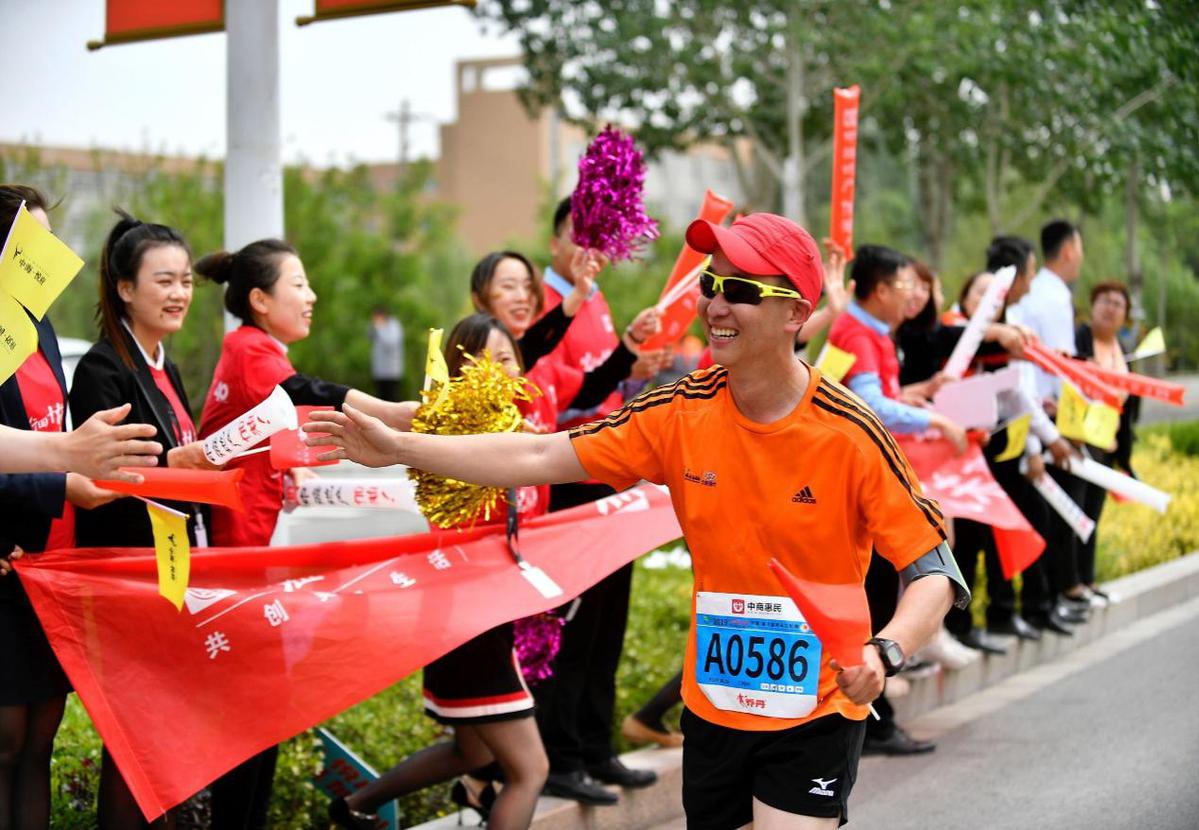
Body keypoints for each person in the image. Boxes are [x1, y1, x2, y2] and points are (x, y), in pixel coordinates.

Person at [306, 212, 969, 829]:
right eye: (711, 284)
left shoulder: (849, 431)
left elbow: (933, 570)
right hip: (714, 708)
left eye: (739, 290)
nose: (715, 305)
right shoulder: (678, 412)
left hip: (815, 707)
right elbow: (538, 454)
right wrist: (401, 448)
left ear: (796, 311)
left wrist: (885, 652)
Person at [194, 239, 414, 830]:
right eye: (298, 284)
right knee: (250, 722)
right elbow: (302, 393)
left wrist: (287, 469)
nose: (311, 296)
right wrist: (395, 413)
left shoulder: (252, 349)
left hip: (249, 561)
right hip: (236, 570)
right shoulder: (250, 350)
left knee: (262, 718)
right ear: (261, 300)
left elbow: (264, 430)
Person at [330, 314, 552, 830]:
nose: (503, 370)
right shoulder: (453, 444)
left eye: (508, 358)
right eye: (487, 362)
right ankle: (357, 806)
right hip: (470, 621)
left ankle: (355, 806)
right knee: (530, 771)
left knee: (472, 753)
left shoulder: (520, 433)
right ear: (460, 374)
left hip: (488, 617)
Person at [68, 211, 216, 830]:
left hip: (173, 570)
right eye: (164, 280)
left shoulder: (164, 366)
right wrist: (184, 463)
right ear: (125, 287)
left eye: (186, 281)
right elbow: (103, 479)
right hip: (129, 575)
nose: (179, 293)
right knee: (136, 736)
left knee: (161, 735)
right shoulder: (103, 370)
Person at [0, 185, 126, 830]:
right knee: (6, 743)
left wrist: (85, 471)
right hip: (5, 562)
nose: (47, 255)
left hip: (50, 567)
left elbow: (56, 440)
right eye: (32, 242)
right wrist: (63, 484)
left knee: (40, 741)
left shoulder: (40, 329)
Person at [532, 198, 665, 803]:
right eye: (579, 236)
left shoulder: (598, 300)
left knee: (608, 625)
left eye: (600, 239)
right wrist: (619, 367)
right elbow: (564, 399)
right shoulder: (548, 305)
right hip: (569, 479)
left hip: (610, 474)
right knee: (573, 628)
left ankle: (596, 749)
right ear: (555, 242)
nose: (592, 250)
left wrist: (633, 365)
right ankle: (561, 758)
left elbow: (602, 388)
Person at [1009, 220, 1092, 617]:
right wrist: (1074, 429)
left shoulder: (1039, 292)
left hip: (1035, 415)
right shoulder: (1054, 296)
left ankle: (1055, 595)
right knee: (1058, 511)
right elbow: (1063, 368)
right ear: (1070, 249)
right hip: (1048, 417)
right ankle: (1058, 594)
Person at [1074, 280, 1139, 604]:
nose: (1111, 309)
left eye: (1118, 304)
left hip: (1108, 444)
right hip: (1079, 441)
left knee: (1094, 514)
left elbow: (1130, 403)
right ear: (1093, 305)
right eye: (1105, 301)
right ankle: (1071, 585)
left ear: (1125, 314)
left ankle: (1088, 580)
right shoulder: (1080, 339)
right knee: (1076, 515)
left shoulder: (1124, 350)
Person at [368, 306, 404, 401]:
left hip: (391, 372)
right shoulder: (376, 327)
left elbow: (390, 343)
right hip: (379, 372)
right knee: (380, 399)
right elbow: (369, 336)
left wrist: (380, 328)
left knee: (391, 398)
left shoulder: (394, 326)